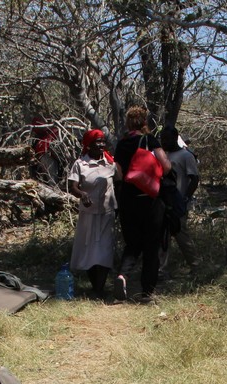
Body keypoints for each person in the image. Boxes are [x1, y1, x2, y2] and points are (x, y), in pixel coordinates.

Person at [113, 105, 172, 302]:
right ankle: (147, 292)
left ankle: (123, 275)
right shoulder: (149, 140)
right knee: (151, 245)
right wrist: (153, 175)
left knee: (132, 243)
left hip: (128, 200)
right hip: (150, 200)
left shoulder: (122, 143)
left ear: (128, 122)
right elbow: (166, 165)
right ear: (144, 122)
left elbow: (119, 174)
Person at [67, 129, 121, 300]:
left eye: (103, 141)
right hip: (88, 215)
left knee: (104, 250)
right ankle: (95, 286)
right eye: (97, 142)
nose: (101, 145)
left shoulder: (110, 163)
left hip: (107, 213)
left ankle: (100, 288)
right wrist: (82, 195)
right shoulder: (80, 164)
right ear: (88, 145)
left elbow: (120, 181)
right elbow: (72, 186)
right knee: (89, 251)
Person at [159, 125, 199, 275]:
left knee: (182, 235)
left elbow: (194, 179)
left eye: (167, 139)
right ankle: (161, 269)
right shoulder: (163, 155)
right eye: (162, 139)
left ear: (175, 138)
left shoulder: (186, 156)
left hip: (178, 203)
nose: (164, 142)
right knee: (163, 237)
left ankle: (195, 265)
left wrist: (185, 198)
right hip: (164, 202)